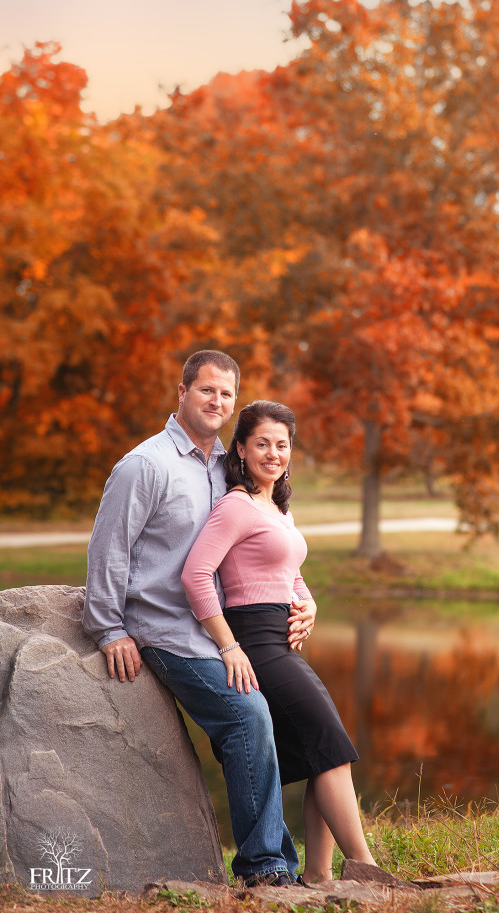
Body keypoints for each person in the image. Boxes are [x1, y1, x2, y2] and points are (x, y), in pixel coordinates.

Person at [82, 351, 313, 888]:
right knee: (248, 714)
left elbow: (264, 543)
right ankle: (266, 869)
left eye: (227, 394)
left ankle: (280, 861)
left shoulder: (224, 467)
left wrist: (305, 601)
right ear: (181, 393)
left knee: (273, 715)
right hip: (167, 633)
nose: (217, 402)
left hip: (220, 630)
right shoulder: (146, 465)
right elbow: (109, 549)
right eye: (207, 390)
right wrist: (110, 629)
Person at [181, 400, 377, 884]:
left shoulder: (275, 506)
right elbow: (196, 575)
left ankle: (320, 876)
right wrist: (229, 646)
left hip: (279, 640)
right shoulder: (237, 505)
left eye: (282, 444)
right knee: (332, 746)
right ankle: (366, 868)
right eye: (262, 443)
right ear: (242, 450)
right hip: (256, 644)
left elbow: (287, 571)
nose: (273, 453)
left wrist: (309, 605)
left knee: (324, 753)